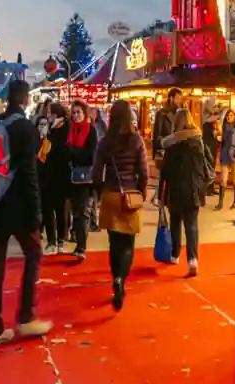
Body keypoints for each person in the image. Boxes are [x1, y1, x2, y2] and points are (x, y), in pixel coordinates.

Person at [0, 79, 52, 349]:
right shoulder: (25, 128)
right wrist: (36, 210)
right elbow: (30, 173)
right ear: (25, 100)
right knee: (33, 253)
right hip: (20, 204)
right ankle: (26, 315)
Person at [92, 100, 147, 311]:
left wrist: (101, 191)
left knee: (114, 243)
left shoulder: (105, 142)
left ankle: (115, 277)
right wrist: (141, 192)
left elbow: (96, 173)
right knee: (128, 244)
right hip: (130, 196)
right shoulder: (136, 140)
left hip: (111, 195)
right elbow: (143, 172)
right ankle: (121, 280)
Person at [158, 108, 208, 277]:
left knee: (175, 221)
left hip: (175, 188)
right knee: (192, 225)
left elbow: (165, 170)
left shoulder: (172, 144)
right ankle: (193, 259)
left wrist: (160, 194)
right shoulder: (198, 142)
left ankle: (175, 254)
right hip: (193, 188)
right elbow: (204, 166)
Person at [66, 100, 97, 259]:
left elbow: (90, 155)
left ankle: (81, 247)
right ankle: (79, 244)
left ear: (85, 114)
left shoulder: (90, 131)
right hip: (72, 178)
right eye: (74, 112)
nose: (76, 115)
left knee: (82, 212)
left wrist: (73, 152)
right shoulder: (70, 130)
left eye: (79, 112)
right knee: (76, 213)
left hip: (86, 179)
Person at [40, 102, 71, 255]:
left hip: (59, 174)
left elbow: (60, 149)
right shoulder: (48, 128)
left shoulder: (64, 128)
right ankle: (52, 241)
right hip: (48, 174)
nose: (47, 115)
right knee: (47, 209)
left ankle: (59, 241)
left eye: (50, 112)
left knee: (60, 209)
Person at [215, 109, 235, 211]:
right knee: (223, 180)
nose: (229, 117)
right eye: (227, 116)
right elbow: (223, 141)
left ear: (234, 116)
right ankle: (220, 202)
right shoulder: (224, 126)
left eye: (231, 115)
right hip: (225, 155)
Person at [151, 88, 182, 161]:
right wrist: (168, 142)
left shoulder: (180, 114)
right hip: (166, 154)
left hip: (178, 155)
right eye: (177, 98)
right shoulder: (161, 114)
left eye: (180, 99)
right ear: (171, 98)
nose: (179, 101)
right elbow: (157, 137)